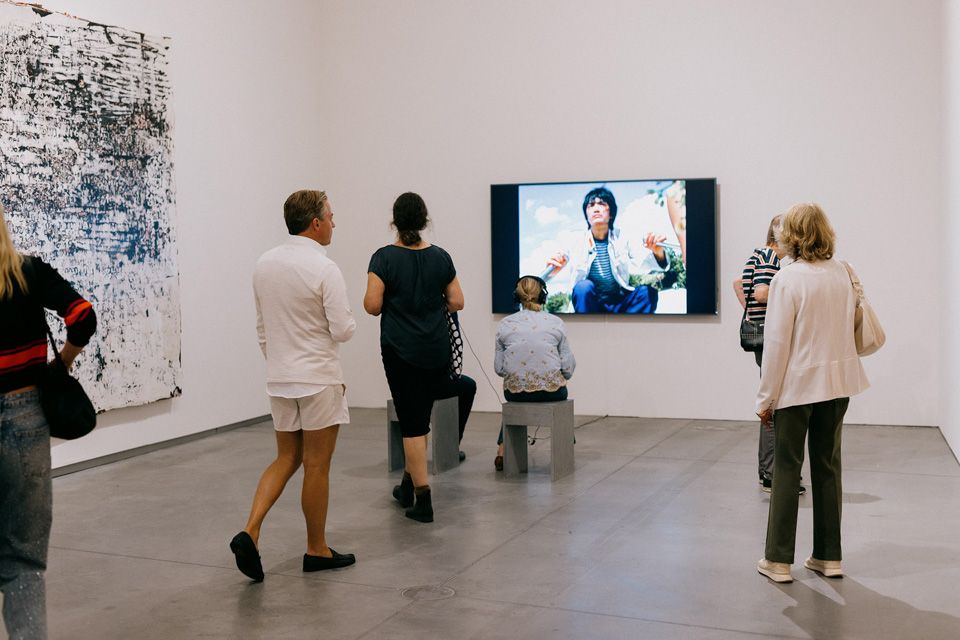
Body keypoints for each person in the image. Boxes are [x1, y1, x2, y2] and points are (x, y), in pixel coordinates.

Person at [231, 190, 357, 582]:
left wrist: (280, 363)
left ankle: (250, 530)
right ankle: (316, 549)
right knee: (317, 465)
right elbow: (343, 329)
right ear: (315, 223)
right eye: (331, 217)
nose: (335, 223)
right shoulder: (325, 269)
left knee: (286, 458)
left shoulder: (264, 264)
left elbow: (262, 328)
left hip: (280, 377)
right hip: (318, 377)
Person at [755, 203, 870, 584]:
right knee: (827, 467)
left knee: (787, 469)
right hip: (838, 386)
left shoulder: (787, 280)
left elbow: (776, 345)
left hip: (797, 388)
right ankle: (828, 557)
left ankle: (778, 561)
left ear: (792, 236)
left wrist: (765, 398)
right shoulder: (844, 272)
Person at [0, 203, 97, 639]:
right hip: (24, 419)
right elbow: (82, 316)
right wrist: (60, 365)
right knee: (24, 562)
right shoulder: (28, 273)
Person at [364, 192, 476, 524]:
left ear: (394, 221)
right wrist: (430, 302)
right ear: (425, 220)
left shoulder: (383, 258)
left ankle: (423, 499)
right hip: (436, 349)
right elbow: (457, 300)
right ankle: (406, 485)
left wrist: (399, 304)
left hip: (401, 351)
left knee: (413, 422)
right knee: (421, 411)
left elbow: (371, 305)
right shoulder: (441, 257)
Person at [734, 214, 805, 496]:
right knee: (774, 406)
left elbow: (738, 283)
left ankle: (770, 471)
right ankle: (771, 473)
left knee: (773, 404)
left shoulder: (761, 255)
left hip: (763, 336)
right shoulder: (768, 257)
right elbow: (763, 293)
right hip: (770, 339)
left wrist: (750, 311)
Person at [545, 186, 675, 313]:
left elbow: (646, 263)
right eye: (591, 205)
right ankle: (588, 331)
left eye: (601, 204)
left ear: (611, 213)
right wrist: (553, 266)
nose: (596, 208)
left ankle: (626, 330)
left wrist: (657, 251)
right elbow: (562, 256)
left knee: (647, 293)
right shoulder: (575, 239)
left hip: (618, 303)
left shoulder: (623, 237)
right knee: (583, 287)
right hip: (590, 304)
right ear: (587, 214)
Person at [493, 275, 576, 470]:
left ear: (516, 296)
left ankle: (502, 450)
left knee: (515, 401)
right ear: (543, 296)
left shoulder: (504, 324)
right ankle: (566, 445)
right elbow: (568, 369)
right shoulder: (556, 322)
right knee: (561, 399)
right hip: (552, 392)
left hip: (515, 393)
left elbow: (499, 369)